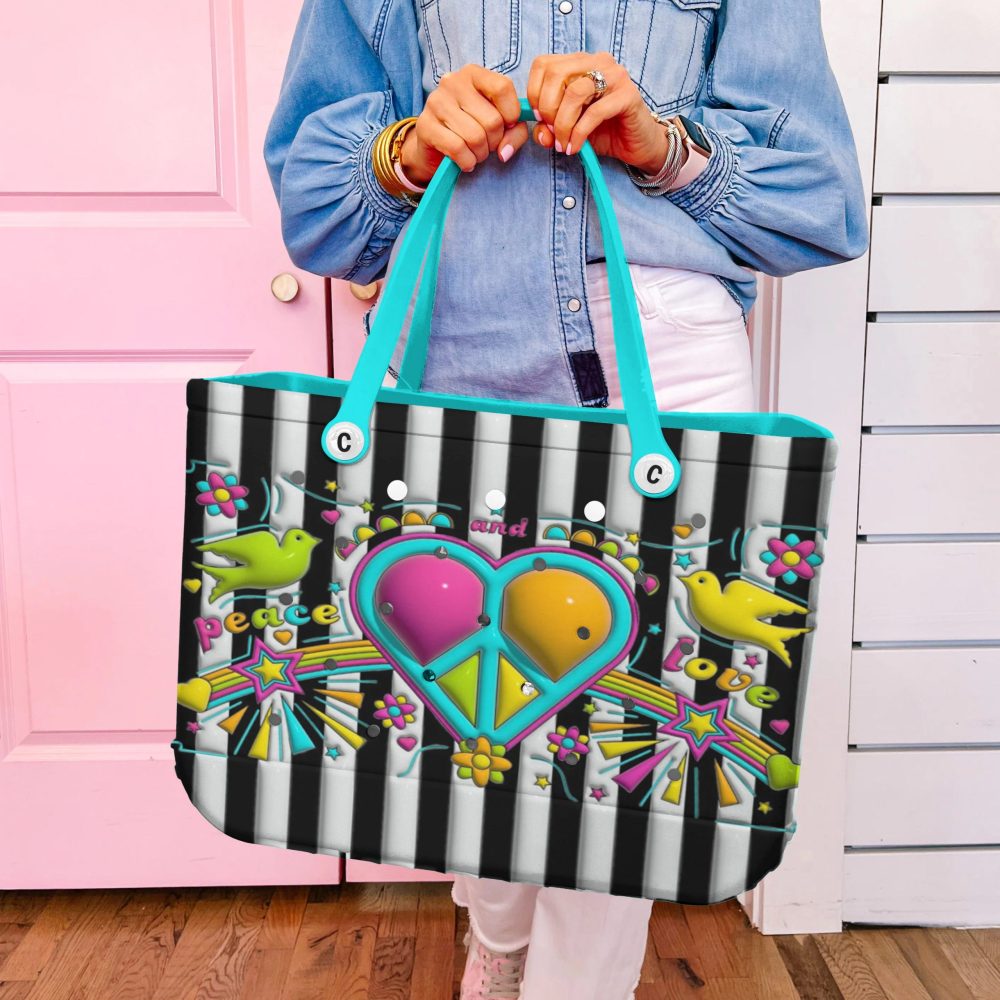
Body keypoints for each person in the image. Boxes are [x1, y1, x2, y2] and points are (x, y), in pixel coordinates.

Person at [265, 2, 867, 997]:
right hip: (453, 340)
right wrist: (408, 151)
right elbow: (314, 209)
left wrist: (665, 145)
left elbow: (820, 198)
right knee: (467, 710)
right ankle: (497, 937)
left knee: (625, 750)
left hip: (662, 363)